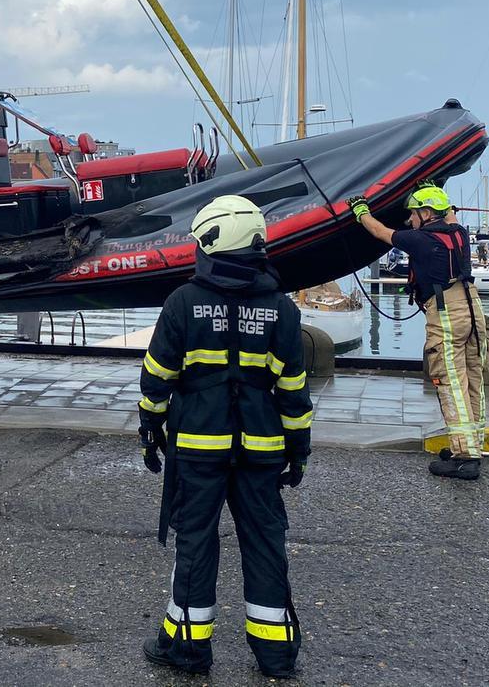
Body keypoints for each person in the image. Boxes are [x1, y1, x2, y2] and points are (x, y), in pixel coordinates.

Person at [139, 195, 310, 679]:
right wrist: (298, 451)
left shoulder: (183, 303)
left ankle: (188, 650)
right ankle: (276, 654)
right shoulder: (281, 309)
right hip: (261, 451)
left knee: (195, 542)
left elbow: (157, 378)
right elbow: (294, 393)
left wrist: (150, 428)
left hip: (197, 448)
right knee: (264, 542)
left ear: (212, 244)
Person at [349, 183, 486, 479]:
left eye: (413, 213)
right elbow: (448, 214)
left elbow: (379, 232)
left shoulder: (420, 239)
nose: (409, 219)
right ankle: (472, 445)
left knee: (451, 382)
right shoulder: (459, 232)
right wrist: (434, 189)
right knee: (472, 378)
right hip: (472, 308)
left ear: (425, 213)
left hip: (447, 311)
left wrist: (360, 211)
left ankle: (466, 457)